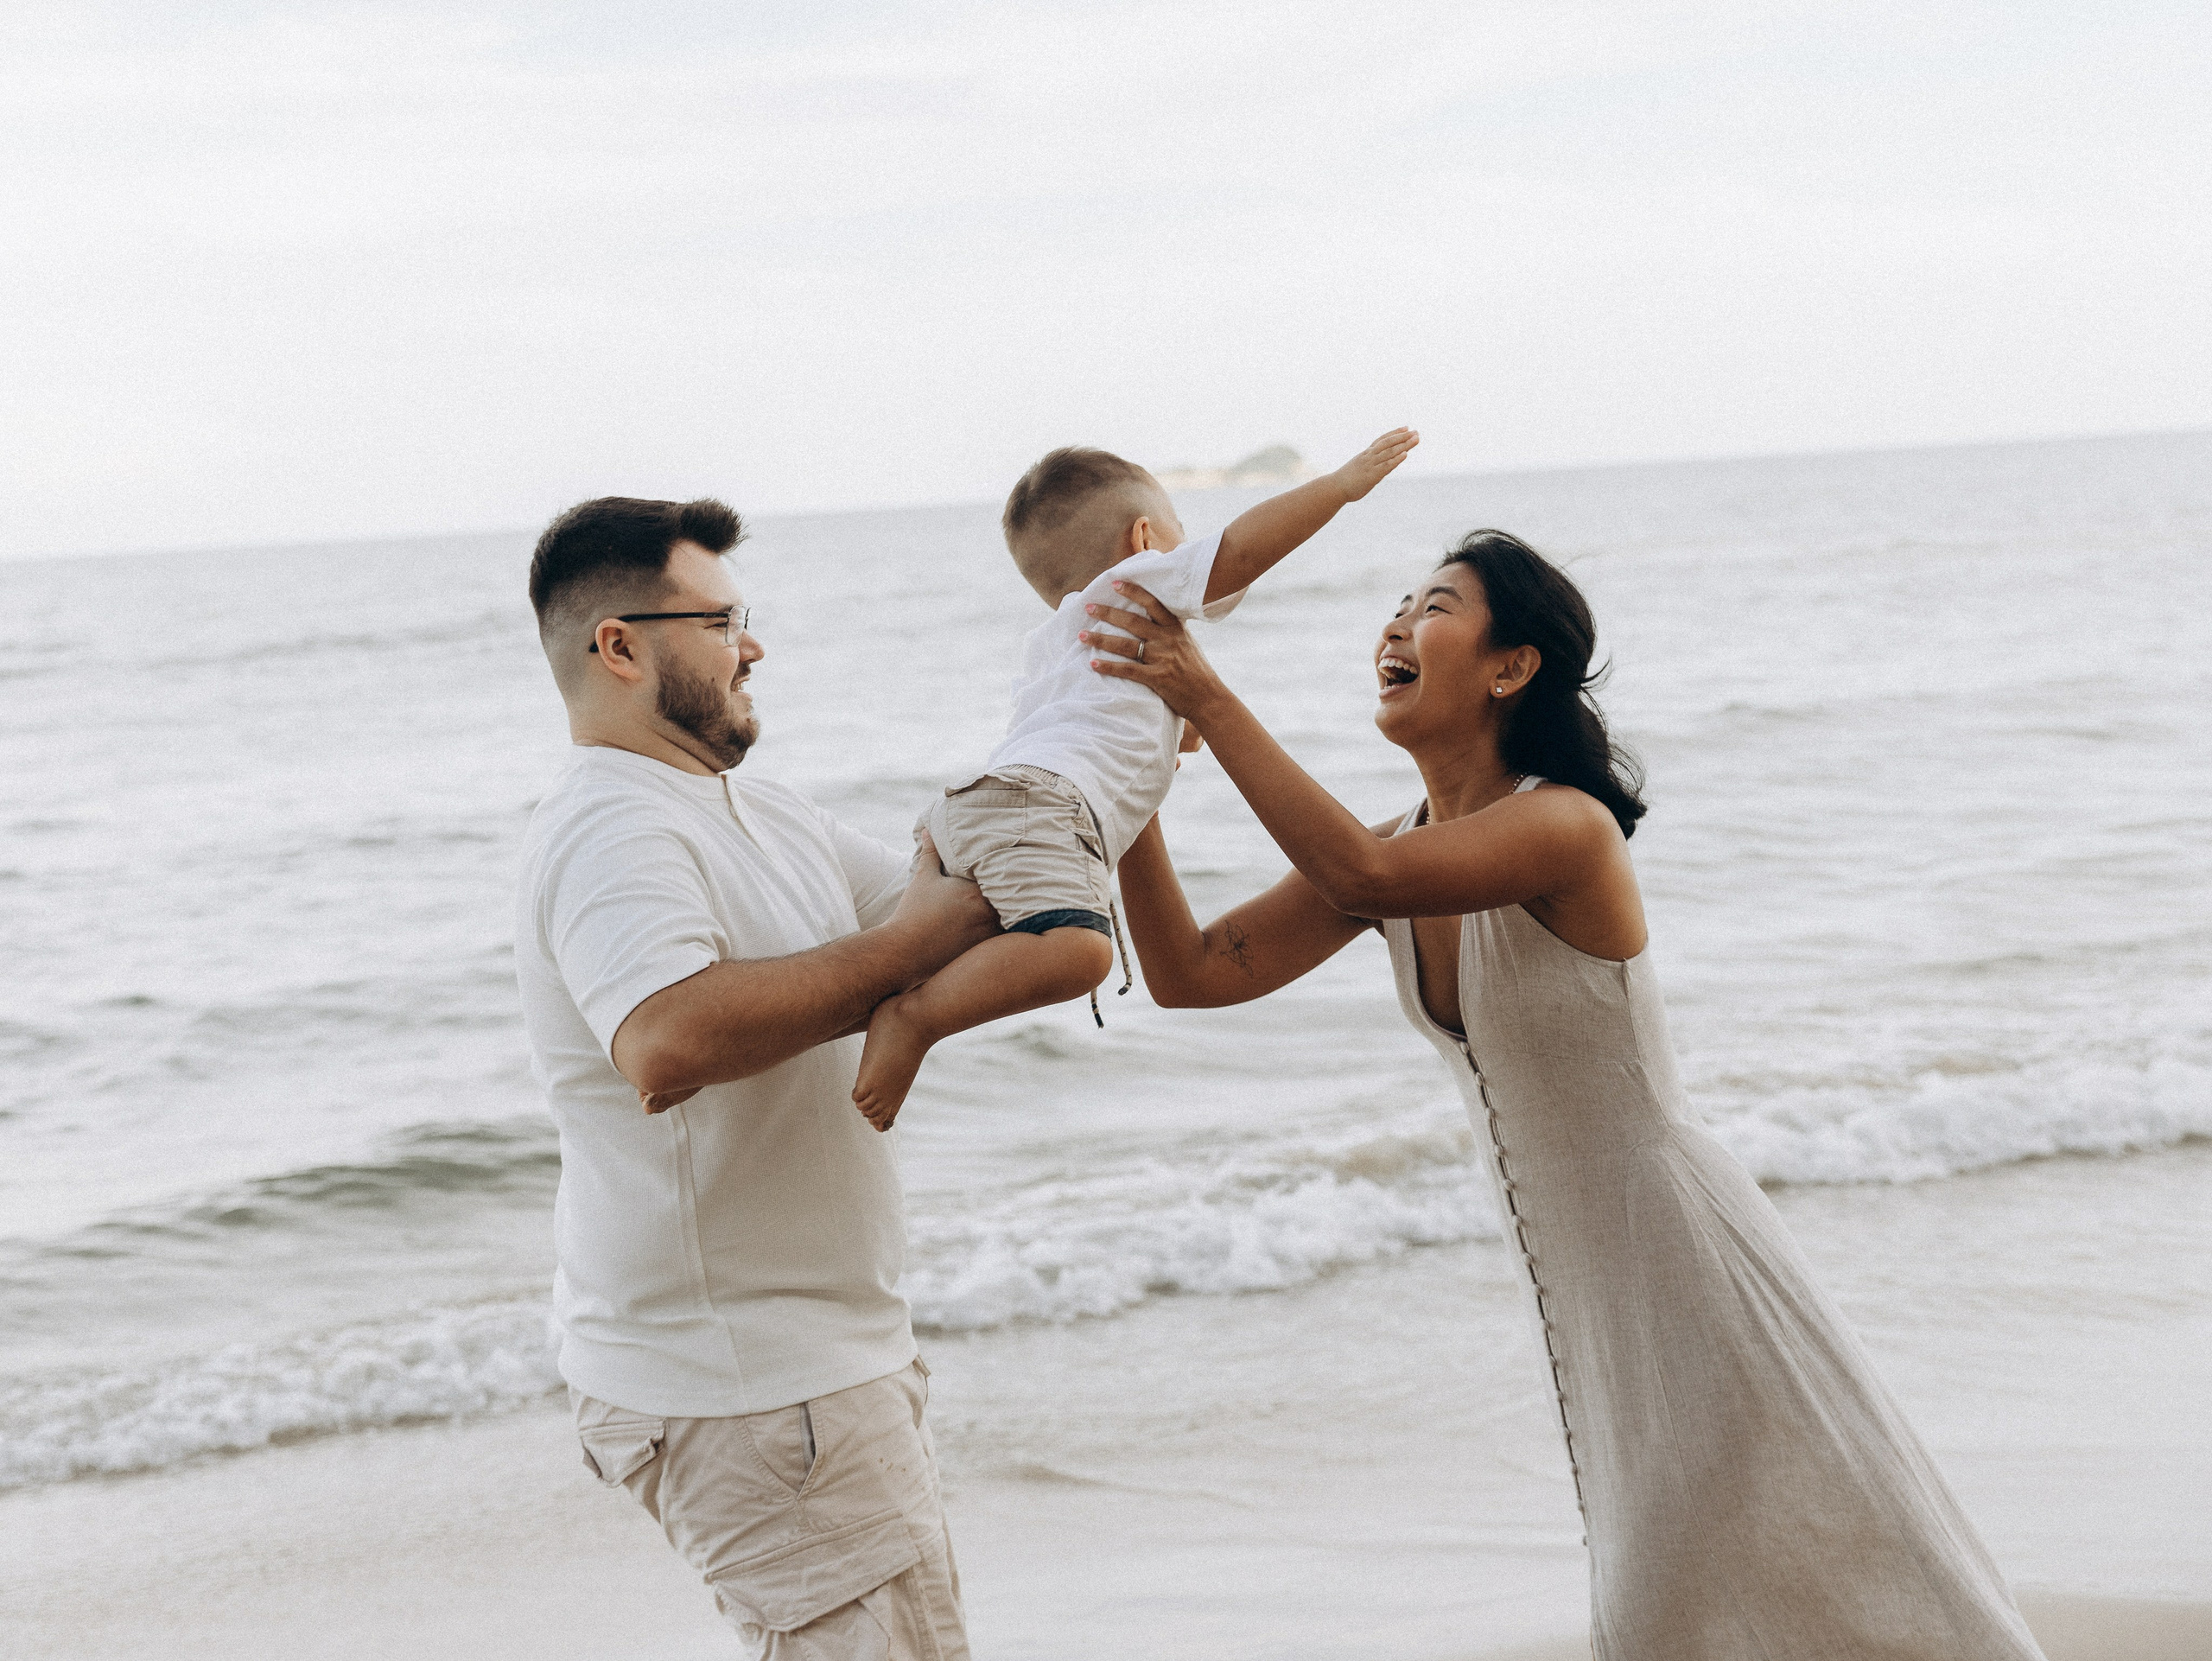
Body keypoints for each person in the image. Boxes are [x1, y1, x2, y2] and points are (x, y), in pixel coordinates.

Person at [1084, 530, 2049, 1658]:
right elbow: (1193, 974)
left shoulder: (1563, 827)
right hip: (1590, 1299)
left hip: (1687, 1267)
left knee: (1787, 1572)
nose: (1395, 622)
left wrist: (1211, 690)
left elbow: (1361, 875)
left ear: (1511, 666)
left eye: (1433, 605)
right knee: (1705, 1594)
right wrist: (1140, 766)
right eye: (1396, 602)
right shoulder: (1403, 845)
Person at [513, 495, 1000, 1660]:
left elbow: (972, 915)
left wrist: (1112, 734)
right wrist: (911, 953)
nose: (755, 645)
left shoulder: (757, 808)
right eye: (724, 618)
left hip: (813, 1369)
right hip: (752, 1385)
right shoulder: (610, 825)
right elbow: (666, 1039)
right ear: (620, 644)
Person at [850, 428, 1421, 1128]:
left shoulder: (1060, 638)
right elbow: (1239, 554)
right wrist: (1340, 485)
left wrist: (1168, 730)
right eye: (1184, 537)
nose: (1194, 553)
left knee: (919, 949)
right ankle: (917, 1019)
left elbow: (1086, 726)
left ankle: (886, 999)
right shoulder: (1136, 585)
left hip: (979, 806)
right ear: (1146, 539)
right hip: (1043, 807)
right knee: (1080, 952)